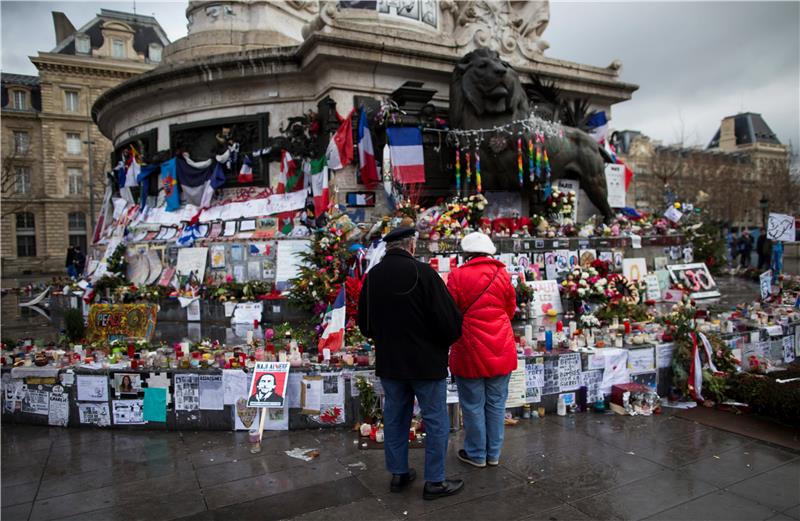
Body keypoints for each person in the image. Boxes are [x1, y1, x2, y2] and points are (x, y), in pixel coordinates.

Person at [358, 227, 464, 500]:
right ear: (411, 246)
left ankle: (399, 474)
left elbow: (365, 324)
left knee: (395, 418)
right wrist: (441, 342)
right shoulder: (424, 273)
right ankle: (435, 481)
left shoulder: (372, 277)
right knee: (435, 420)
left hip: (391, 363)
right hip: (426, 363)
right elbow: (449, 321)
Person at [446, 232, 517, 468]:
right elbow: (510, 309)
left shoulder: (457, 275)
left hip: (470, 346)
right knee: (497, 403)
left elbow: (451, 312)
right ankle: (493, 454)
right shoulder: (502, 273)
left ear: (466, 253)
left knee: (473, 403)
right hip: (501, 345)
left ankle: (476, 453)